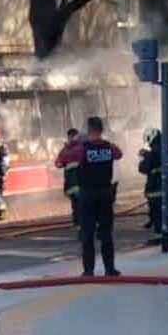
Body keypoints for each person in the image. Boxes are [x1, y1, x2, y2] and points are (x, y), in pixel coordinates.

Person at [66, 116, 123, 277]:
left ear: (88, 129)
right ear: (102, 130)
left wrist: (73, 142)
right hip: (105, 193)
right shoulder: (109, 147)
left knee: (87, 234)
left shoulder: (82, 149)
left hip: (88, 195)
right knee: (106, 233)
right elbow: (119, 154)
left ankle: (89, 271)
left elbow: (65, 157)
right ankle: (110, 269)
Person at [138, 128, 164, 245]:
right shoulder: (165, 147)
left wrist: (144, 157)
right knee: (161, 211)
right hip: (163, 186)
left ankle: (158, 237)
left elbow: (143, 168)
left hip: (155, 187)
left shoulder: (153, 152)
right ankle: (164, 231)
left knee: (157, 213)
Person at [55, 128, 81, 228]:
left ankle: (79, 226)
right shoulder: (81, 147)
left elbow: (58, 163)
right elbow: (58, 163)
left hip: (74, 183)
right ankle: (81, 226)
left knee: (77, 206)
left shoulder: (66, 150)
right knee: (79, 206)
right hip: (76, 183)